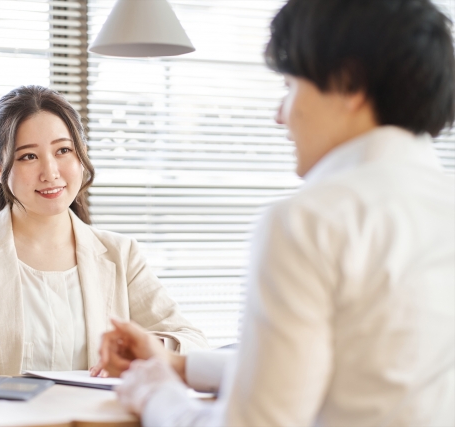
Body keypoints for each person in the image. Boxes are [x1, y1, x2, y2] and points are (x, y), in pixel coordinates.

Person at [95, 0, 455, 426]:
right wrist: (181, 367)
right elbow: (360, 369)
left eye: (289, 86)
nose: (279, 116)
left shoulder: (311, 220)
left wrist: (157, 394)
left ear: (350, 84)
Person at [0, 85, 208, 376]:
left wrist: (146, 349)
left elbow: (190, 340)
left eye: (63, 151)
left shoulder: (120, 253)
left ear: (81, 154)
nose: (50, 172)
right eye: (28, 156)